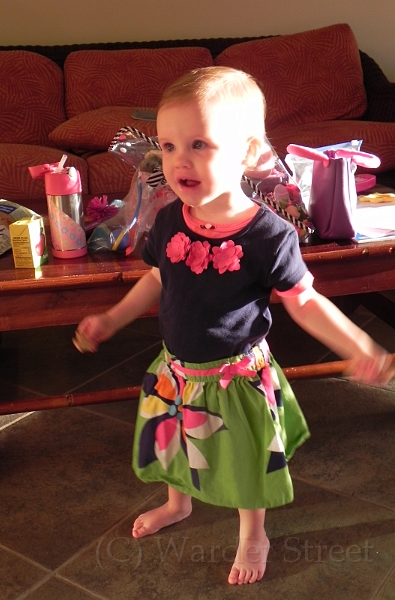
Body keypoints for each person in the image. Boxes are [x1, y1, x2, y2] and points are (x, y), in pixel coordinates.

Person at [73, 66, 394, 585]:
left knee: (245, 460)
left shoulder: (270, 235)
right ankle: (178, 502)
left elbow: (305, 301)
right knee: (175, 442)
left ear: (247, 153)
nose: (179, 161)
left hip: (234, 379)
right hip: (177, 371)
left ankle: (253, 533)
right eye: (169, 146)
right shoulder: (170, 219)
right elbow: (157, 278)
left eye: (199, 144)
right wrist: (112, 317)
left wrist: (358, 345)